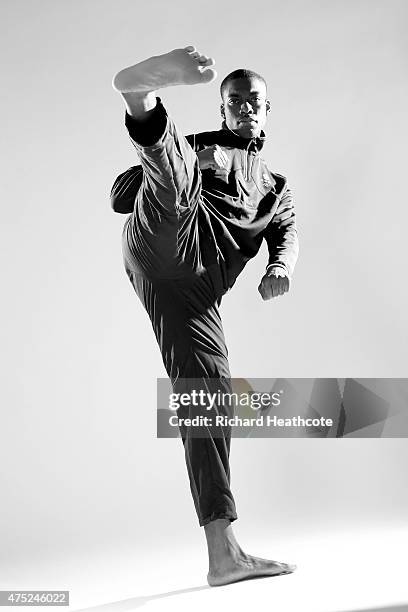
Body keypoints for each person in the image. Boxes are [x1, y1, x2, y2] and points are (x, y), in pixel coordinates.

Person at [110, 45, 299, 587]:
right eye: (234, 101)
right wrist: (197, 157)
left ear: (267, 108)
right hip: (164, 238)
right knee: (176, 182)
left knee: (209, 399)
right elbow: (122, 196)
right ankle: (140, 98)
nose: (244, 108)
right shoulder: (206, 144)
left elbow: (284, 235)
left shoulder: (277, 188)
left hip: (196, 294)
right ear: (223, 109)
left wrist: (277, 268)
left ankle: (224, 553)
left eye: (253, 101)